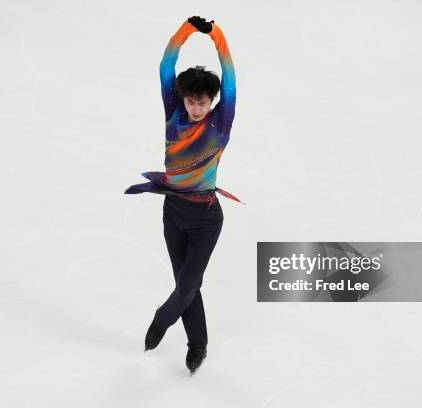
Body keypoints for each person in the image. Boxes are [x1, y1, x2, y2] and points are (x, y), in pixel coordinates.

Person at [124, 15, 242, 376]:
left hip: (206, 219)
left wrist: (215, 35)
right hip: (173, 213)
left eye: (202, 102)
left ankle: (161, 321)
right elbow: (166, 64)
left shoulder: (220, 122)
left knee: (188, 286)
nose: (196, 108)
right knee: (186, 287)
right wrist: (187, 30)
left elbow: (231, 76)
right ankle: (199, 344)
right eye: (191, 101)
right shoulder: (172, 113)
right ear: (182, 99)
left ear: (212, 102)